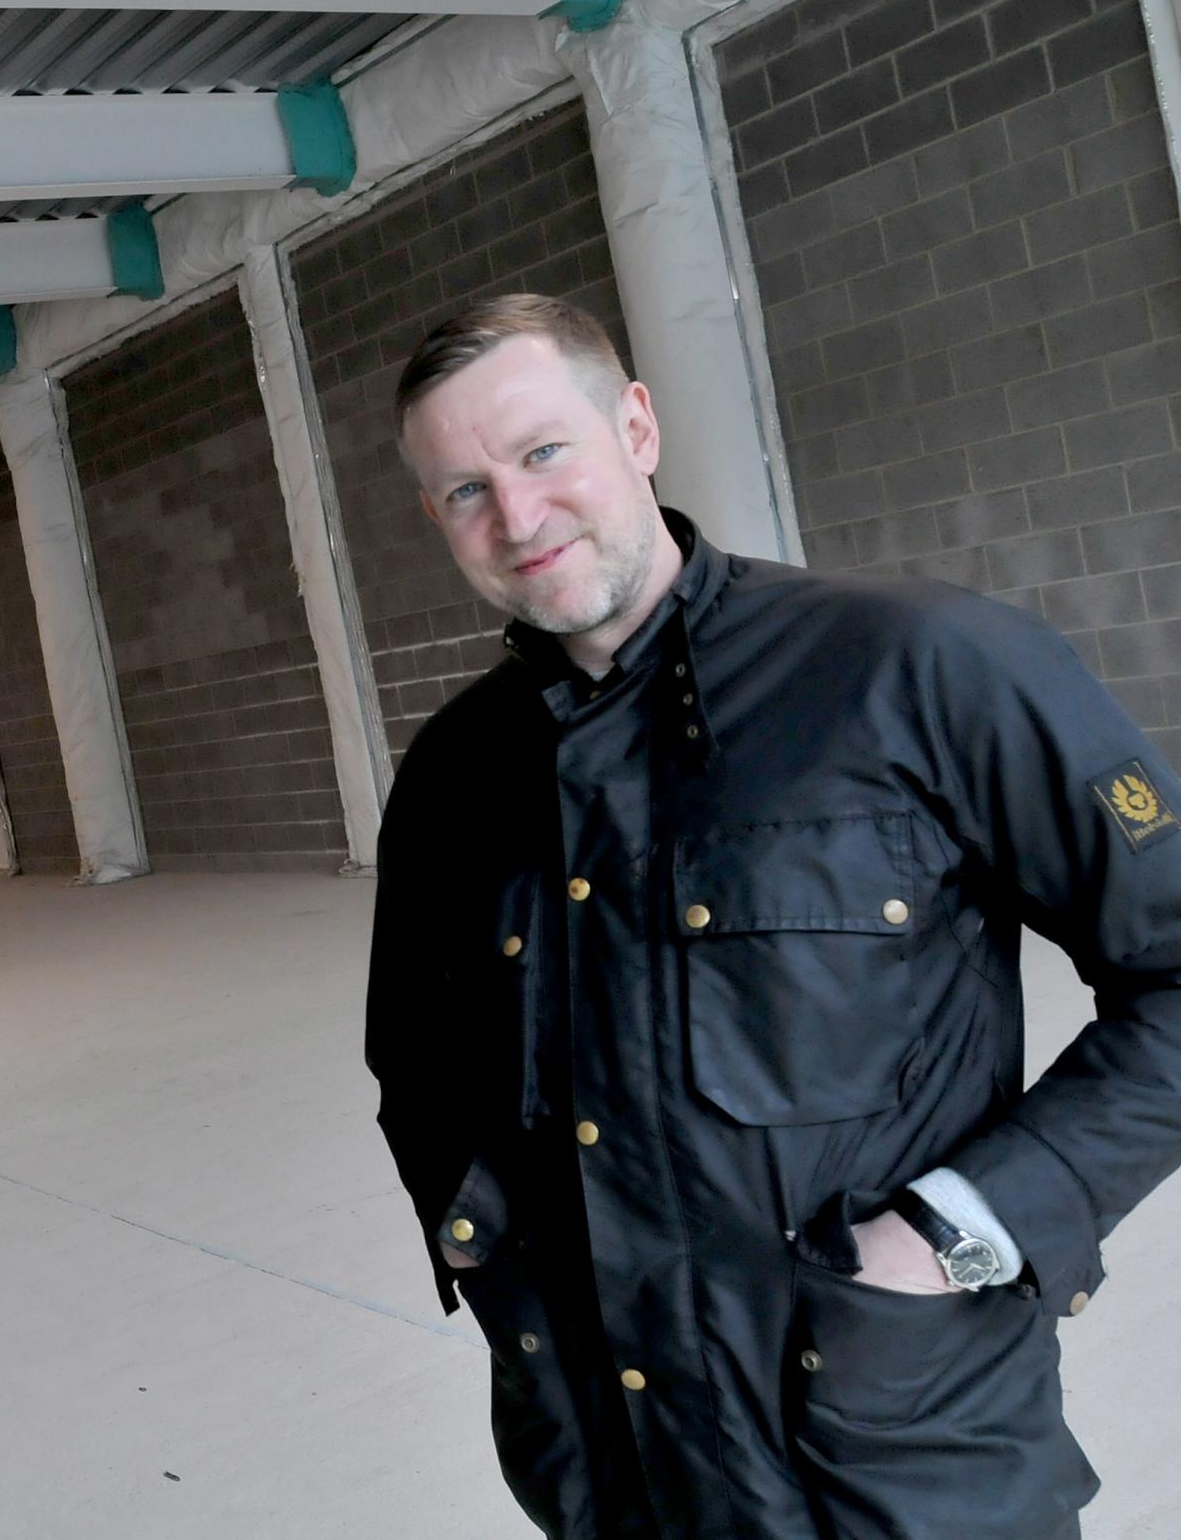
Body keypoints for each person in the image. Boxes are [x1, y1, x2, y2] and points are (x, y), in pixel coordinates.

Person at [364, 294, 1181, 1539]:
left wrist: (969, 1225)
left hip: (896, 1453)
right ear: (435, 518)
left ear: (634, 428)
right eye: (465, 490)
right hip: (615, 1463)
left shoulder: (918, 666)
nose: (518, 517)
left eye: (542, 452)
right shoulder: (455, 778)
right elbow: (416, 1059)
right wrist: (487, 1241)